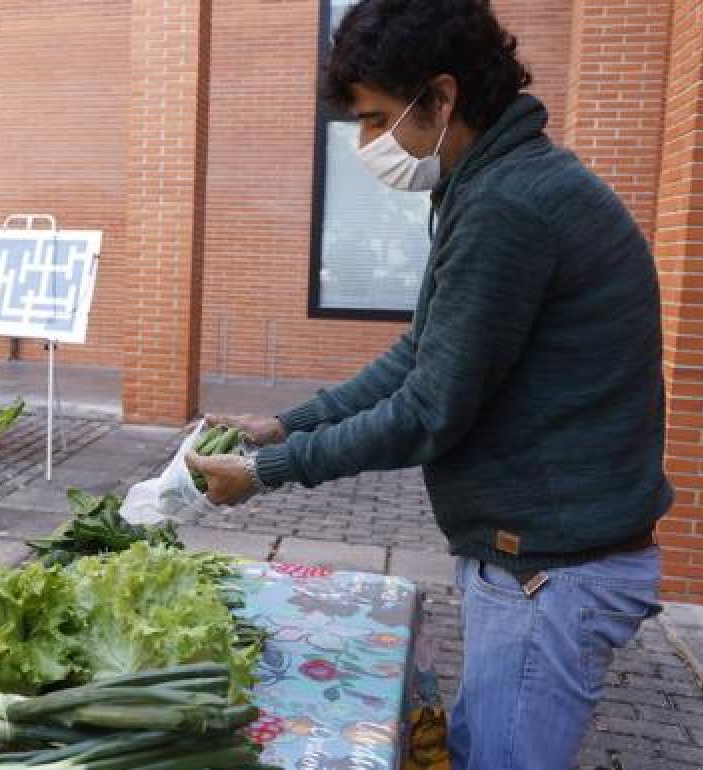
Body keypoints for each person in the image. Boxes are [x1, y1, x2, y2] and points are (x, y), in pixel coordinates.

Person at [187, 2, 669, 769]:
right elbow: (420, 353)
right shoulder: (488, 184)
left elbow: (427, 409)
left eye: (377, 119)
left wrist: (266, 473)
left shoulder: (509, 204)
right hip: (538, 557)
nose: (367, 145)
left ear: (441, 98)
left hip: (550, 568)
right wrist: (284, 426)